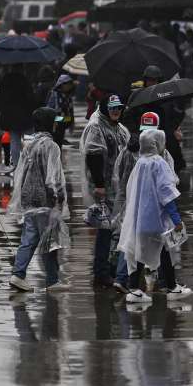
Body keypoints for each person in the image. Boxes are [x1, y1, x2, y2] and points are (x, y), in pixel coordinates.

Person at [118, 127, 190, 303]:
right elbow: (166, 193)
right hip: (156, 218)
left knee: (142, 252)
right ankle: (172, 287)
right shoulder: (159, 163)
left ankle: (135, 288)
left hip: (140, 219)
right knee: (163, 251)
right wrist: (177, 219)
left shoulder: (140, 163)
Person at [7, 108, 70, 292]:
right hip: (44, 199)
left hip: (29, 199)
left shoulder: (30, 144)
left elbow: (20, 173)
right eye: (55, 121)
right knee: (50, 239)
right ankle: (52, 280)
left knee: (29, 238)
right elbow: (54, 176)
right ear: (50, 123)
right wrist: (59, 197)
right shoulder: (51, 146)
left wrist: (20, 196)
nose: (57, 124)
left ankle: (18, 274)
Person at [81, 94, 130, 289]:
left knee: (115, 229)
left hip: (116, 188)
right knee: (105, 230)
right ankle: (101, 272)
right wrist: (100, 185)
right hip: (104, 187)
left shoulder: (118, 127)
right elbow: (93, 155)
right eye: (112, 108)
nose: (116, 110)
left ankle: (110, 268)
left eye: (119, 107)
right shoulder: (96, 127)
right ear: (104, 109)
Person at [0, 64, 34, 171]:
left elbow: (0, 96)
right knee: (29, 139)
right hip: (24, 114)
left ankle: (16, 164)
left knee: (14, 140)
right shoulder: (24, 80)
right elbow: (30, 97)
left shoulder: (5, 80)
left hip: (10, 115)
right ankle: (30, 161)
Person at [45, 74, 76, 146]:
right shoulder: (54, 94)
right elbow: (49, 108)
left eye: (70, 84)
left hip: (63, 122)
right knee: (55, 142)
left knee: (59, 142)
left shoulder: (68, 96)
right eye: (67, 84)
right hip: (56, 121)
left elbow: (71, 109)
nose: (69, 86)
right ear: (62, 84)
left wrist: (72, 122)